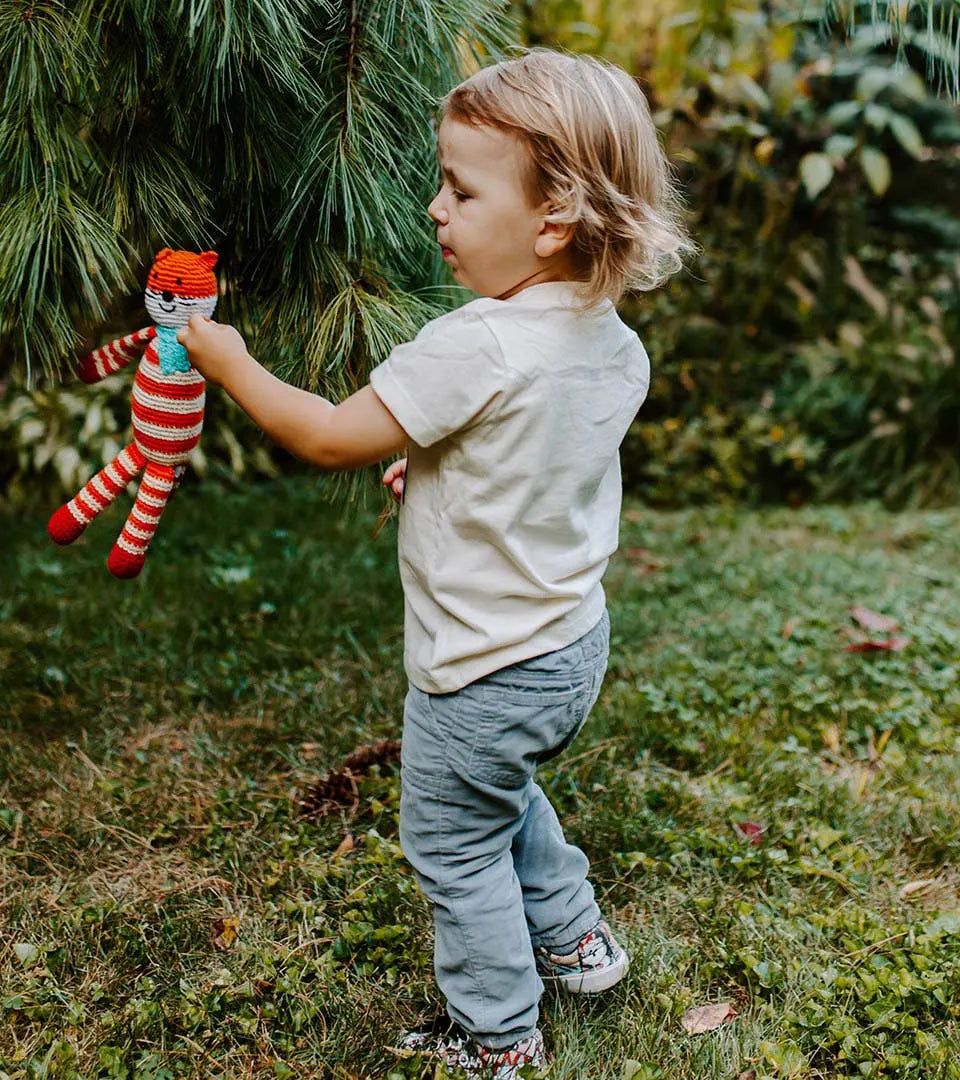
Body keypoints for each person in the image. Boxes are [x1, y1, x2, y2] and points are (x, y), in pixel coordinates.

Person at [178, 47, 693, 1080]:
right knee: (502, 795)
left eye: (460, 189)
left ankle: (496, 1035)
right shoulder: (612, 342)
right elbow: (539, 462)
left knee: (455, 843)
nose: (433, 209)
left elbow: (327, 434)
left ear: (553, 222)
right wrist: (443, 473)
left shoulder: (477, 345)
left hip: (483, 665)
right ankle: (579, 947)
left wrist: (229, 362)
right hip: (568, 649)